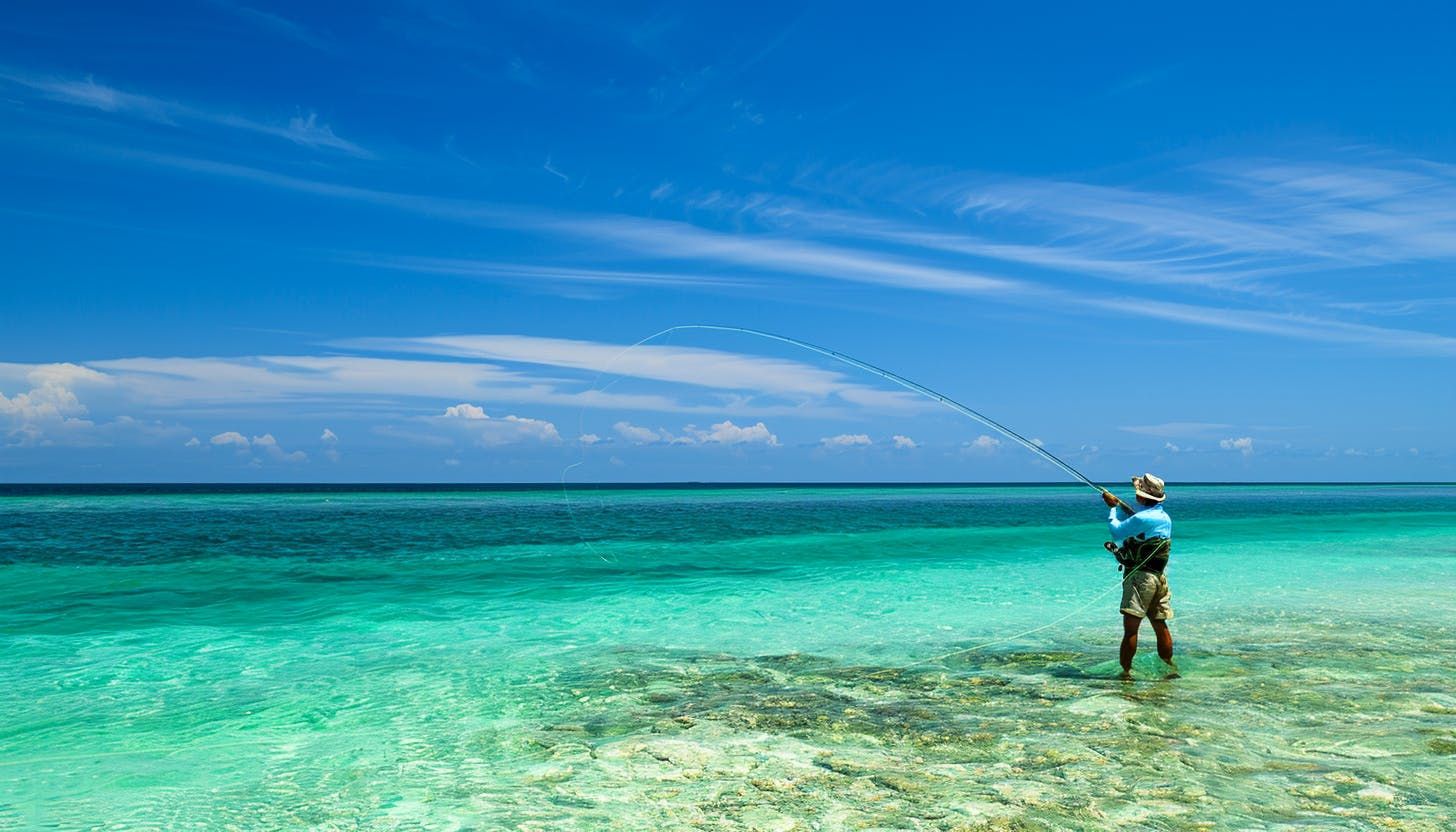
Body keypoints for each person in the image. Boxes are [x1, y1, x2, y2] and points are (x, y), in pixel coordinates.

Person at [1101, 473, 1177, 680]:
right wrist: (1123, 506)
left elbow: (1116, 532)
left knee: (1131, 629)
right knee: (1159, 624)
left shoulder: (1142, 517)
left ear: (1142, 496)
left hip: (1141, 580)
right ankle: (1169, 669)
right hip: (1159, 578)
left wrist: (1111, 508)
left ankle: (1125, 675)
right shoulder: (1163, 517)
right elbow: (1140, 520)